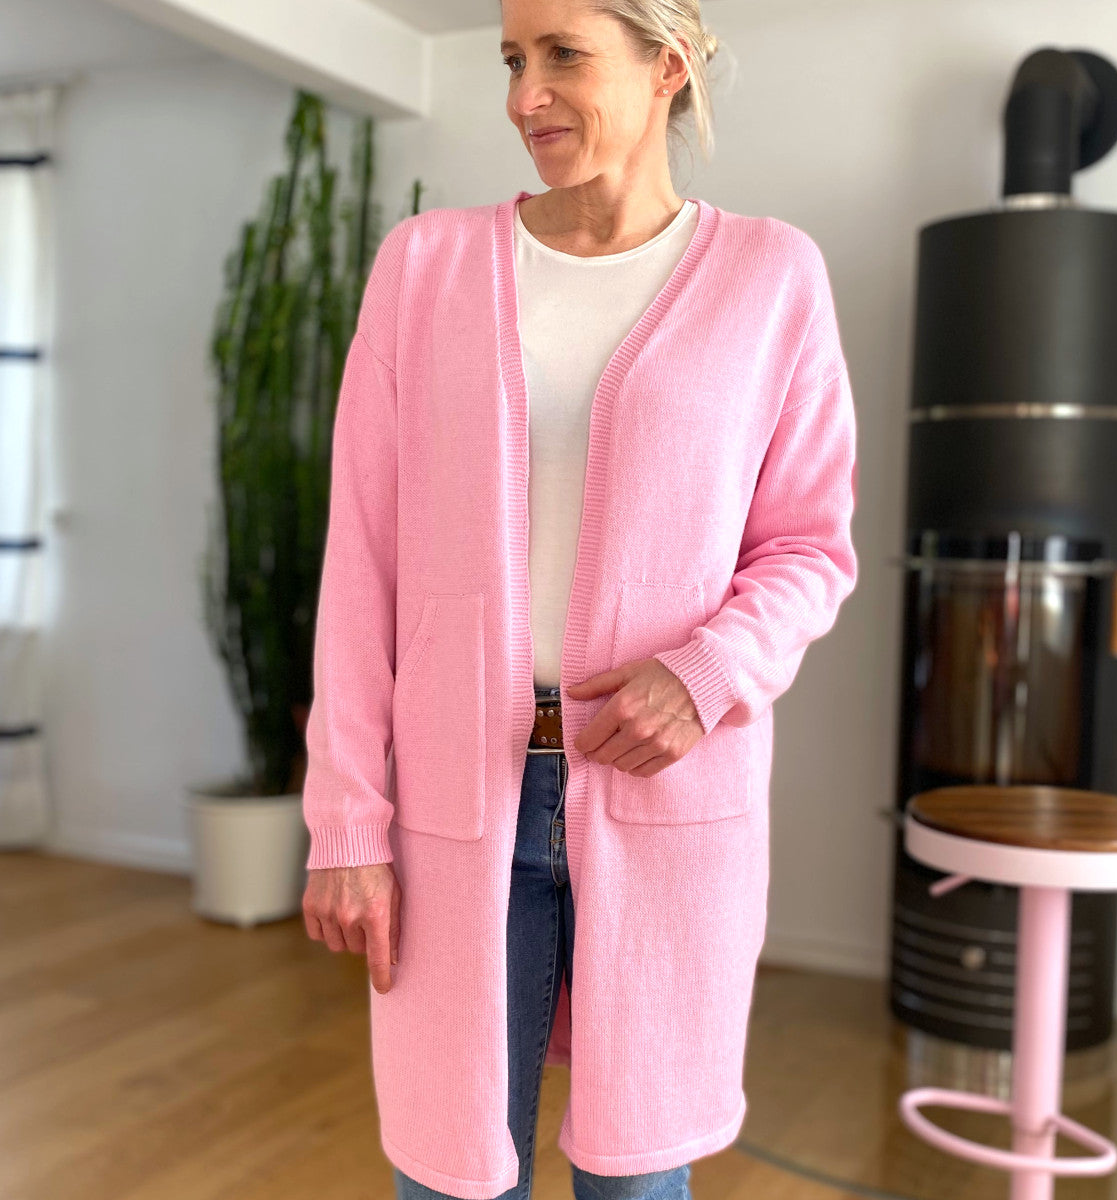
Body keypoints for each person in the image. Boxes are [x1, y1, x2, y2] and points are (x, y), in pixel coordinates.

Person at [301, 2, 859, 1198]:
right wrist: (347, 819)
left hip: (667, 795)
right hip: (454, 802)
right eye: (513, 59)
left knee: (635, 1182)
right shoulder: (425, 268)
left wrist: (706, 674)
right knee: (448, 1177)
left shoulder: (771, 278)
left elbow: (810, 547)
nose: (524, 97)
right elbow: (362, 563)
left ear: (668, 65)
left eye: (564, 55)